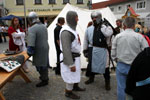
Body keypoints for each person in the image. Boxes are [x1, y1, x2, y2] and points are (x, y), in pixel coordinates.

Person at [111, 17, 149, 100]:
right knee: (135, 86)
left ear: (124, 25)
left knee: (121, 87)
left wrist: (116, 60)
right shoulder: (140, 37)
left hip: (121, 65)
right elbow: (146, 52)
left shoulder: (118, 37)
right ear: (134, 25)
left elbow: (113, 52)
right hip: (136, 67)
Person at [83, 11, 113, 91]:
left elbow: (108, 34)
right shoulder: (89, 29)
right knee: (92, 65)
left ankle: (107, 82)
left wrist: (102, 26)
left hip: (103, 49)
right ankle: (91, 79)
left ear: (99, 17)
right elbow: (85, 40)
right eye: (93, 18)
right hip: (92, 49)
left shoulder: (106, 27)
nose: (94, 19)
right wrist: (85, 50)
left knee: (105, 67)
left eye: (96, 18)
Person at [60, 11, 85, 99]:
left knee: (76, 74)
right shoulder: (66, 32)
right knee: (70, 75)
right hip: (70, 58)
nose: (78, 19)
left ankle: (75, 87)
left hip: (75, 57)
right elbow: (66, 50)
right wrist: (71, 64)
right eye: (76, 17)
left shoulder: (72, 30)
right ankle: (68, 92)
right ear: (72, 19)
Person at [27, 12, 49, 87]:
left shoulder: (32, 29)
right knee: (44, 63)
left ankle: (44, 80)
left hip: (38, 49)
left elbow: (31, 43)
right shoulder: (44, 26)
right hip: (45, 47)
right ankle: (44, 77)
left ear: (30, 19)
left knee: (40, 65)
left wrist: (29, 53)